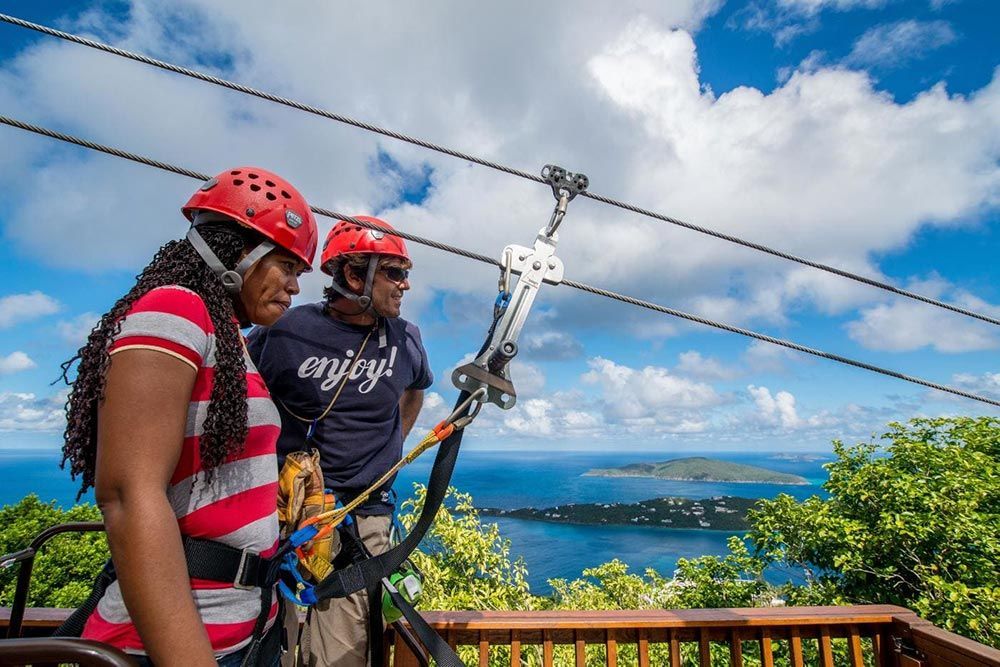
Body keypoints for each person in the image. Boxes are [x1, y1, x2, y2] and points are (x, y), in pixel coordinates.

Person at [60, 167, 318, 666]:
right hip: (184, 647)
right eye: (286, 265)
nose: (293, 286)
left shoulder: (228, 341)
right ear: (236, 254)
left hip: (243, 633)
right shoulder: (176, 310)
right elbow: (128, 494)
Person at [246, 217, 433, 667]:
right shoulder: (285, 331)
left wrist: (386, 455)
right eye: (393, 272)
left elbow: (415, 390)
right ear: (352, 275)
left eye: (404, 273)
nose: (405, 285)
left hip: (362, 516)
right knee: (270, 640)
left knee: (345, 652)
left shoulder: (405, 338)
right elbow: (243, 399)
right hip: (287, 513)